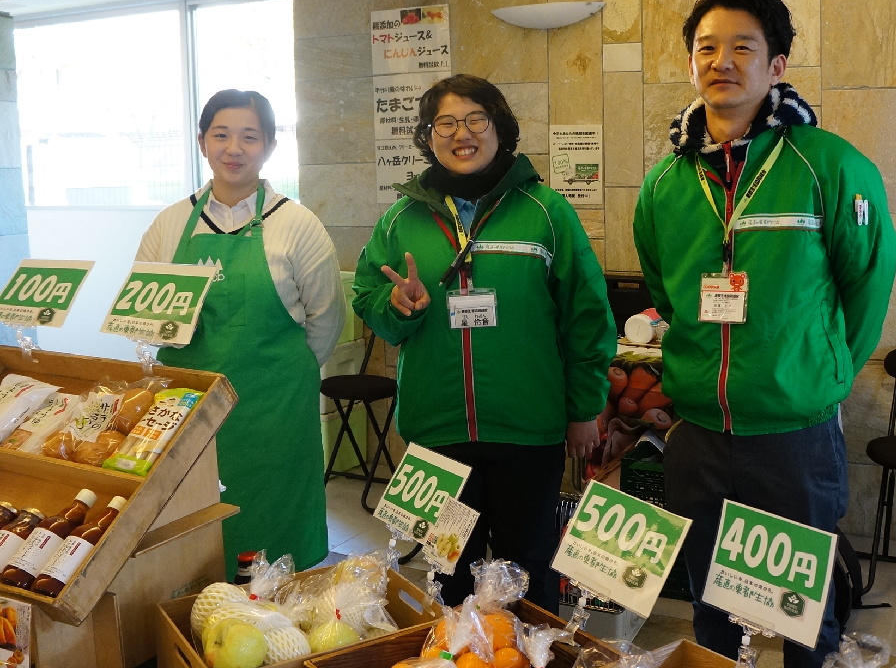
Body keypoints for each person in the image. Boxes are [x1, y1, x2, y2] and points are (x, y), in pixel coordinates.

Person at [633, 0, 896, 668]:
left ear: (776, 65)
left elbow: (866, 281)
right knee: (714, 599)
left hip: (794, 433)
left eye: (742, 47)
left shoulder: (829, 166)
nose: (722, 61)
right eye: (706, 47)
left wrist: (824, 371)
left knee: (802, 613)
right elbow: (665, 289)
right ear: (691, 63)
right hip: (699, 431)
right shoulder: (665, 183)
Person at [353, 74, 616, 611]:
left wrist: (584, 408)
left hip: (528, 433)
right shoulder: (402, 219)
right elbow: (368, 296)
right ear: (428, 137)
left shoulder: (546, 211)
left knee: (529, 572)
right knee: (448, 572)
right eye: (444, 123)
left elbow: (587, 317)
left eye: (476, 119)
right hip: (436, 435)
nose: (461, 134)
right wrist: (395, 306)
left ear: (500, 128)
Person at [136, 89, 343, 575]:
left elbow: (326, 320)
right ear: (202, 142)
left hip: (274, 405)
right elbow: (143, 314)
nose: (234, 148)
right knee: (193, 516)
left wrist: (280, 371)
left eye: (250, 136)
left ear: (269, 145)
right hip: (189, 406)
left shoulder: (296, 224)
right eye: (221, 135)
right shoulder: (170, 225)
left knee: (273, 523)